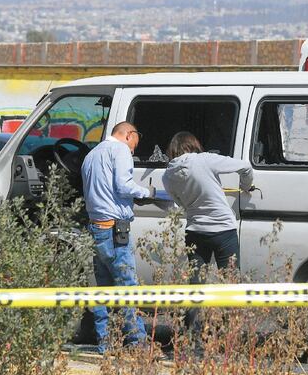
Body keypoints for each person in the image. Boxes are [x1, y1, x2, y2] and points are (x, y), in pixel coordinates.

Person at [80, 121, 154, 354]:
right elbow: (123, 186)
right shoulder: (119, 150)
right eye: (134, 146)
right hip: (115, 230)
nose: (132, 151)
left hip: (96, 228)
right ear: (129, 135)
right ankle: (137, 343)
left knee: (103, 288)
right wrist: (147, 192)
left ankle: (106, 342)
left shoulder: (91, 154)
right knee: (127, 287)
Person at [162, 131, 253, 282]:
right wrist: (246, 186)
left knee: (196, 284)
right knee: (230, 283)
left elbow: (182, 205)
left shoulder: (167, 176)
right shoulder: (205, 159)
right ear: (193, 145)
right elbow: (245, 167)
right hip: (223, 230)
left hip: (194, 231)